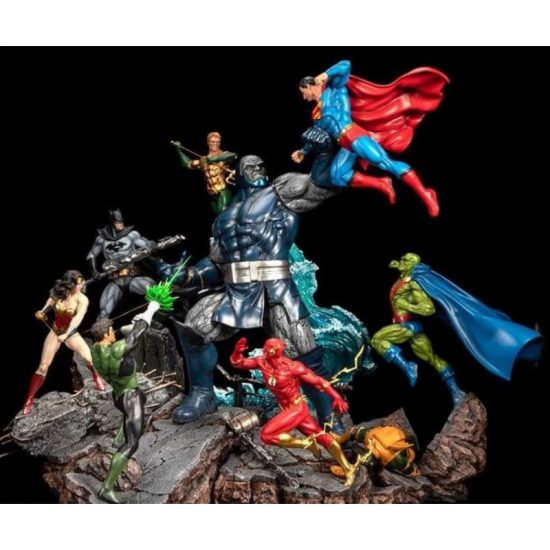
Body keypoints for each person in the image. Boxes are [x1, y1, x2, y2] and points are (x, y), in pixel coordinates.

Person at [167, 153, 346, 434]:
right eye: (250, 165)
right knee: (193, 328)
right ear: (236, 174)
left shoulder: (280, 193)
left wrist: (325, 151)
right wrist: (187, 276)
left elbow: (322, 184)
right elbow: (217, 263)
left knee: (303, 353)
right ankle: (203, 395)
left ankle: (330, 416)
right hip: (237, 292)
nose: (259, 167)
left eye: (261, 164)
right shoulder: (224, 219)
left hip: (276, 289)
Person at [370, 253, 543, 405]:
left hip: (407, 326)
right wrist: (397, 266)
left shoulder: (413, 285)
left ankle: (408, 366)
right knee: (433, 360)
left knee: (377, 339)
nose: (401, 261)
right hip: (409, 328)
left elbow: (428, 308)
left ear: (411, 265)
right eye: (402, 259)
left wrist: (405, 304)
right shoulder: (403, 281)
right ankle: (456, 392)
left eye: (405, 260)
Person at [292, 60, 449, 217]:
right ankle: (381, 183)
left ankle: (426, 194)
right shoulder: (316, 114)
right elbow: (318, 134)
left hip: (354, 135)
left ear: (309, 86)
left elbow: (346, 65)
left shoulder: (334, 89)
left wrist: (325, 74)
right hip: (345, 144)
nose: (304, 97)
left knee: (386, 163)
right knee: (337, 176)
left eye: (303, 92)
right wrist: (303, 151)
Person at [230, 337, 359, 486]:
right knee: (322, 437)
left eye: (268, 349)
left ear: (276, 352)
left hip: (297, 409)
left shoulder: (293, 367)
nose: (264, 351)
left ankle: (306, 444)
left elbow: (319, 381)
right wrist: (237, 352)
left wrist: (336, 397)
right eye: (264, 347)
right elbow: (238, 363)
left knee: (266, 435)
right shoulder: (262, 362)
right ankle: (348, 468)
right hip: (285, 409)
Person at [89, 299, 161, 503]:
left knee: (142, 398)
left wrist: (131, 324)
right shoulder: (117, 350)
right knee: (132, 443)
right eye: (111, 331)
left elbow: (126, 332)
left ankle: (120, 435)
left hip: (119, 396)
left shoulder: (95, 350)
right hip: (130, 397)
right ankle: (106, 488)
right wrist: (150, 311)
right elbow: (137, 335)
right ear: (106, 335)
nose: (114, 333)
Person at [23, 270, 105, 415]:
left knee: (89, 359)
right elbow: (48, 305)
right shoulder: (58, 293)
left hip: (71, 333)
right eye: (79, 283)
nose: (82, 285)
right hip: (55, 331)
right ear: (70, 284)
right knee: (42, 367)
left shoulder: (82, 299)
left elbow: (77, 319)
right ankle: (29, 400)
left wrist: (66, 334)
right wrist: (41, 312)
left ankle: (95, 376)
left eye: (82, 282)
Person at [87, 208, 155, 319]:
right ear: (111, 222)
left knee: (156, 293)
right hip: (116, 281)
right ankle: (100, 329)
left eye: (121, 221)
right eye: (118, 221)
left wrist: (152, 247)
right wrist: (93, 270)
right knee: (104, 313)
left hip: (132, 278)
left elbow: (148, 245)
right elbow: (91, 256)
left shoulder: (131, 235)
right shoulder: (102, 239)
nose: (121, 224)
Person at [172, 132, 237, 214]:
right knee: (218, 218)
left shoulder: (224, 156)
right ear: (208, 142)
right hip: (212, 194)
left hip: (222, 192)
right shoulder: (203, 161)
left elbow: (233, 155)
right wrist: (178, 150)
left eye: (217, 142)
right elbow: (187, 164)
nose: (215, 144)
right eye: (213, 141)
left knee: (224, 215)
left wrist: (213, 159)